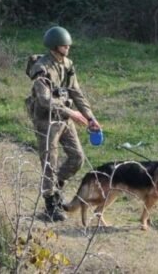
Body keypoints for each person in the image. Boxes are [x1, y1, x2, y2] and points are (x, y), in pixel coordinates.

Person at [25, 26, 102, 222]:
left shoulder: (67, 65)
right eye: (63, 44)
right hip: (46, 120)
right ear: (54, 46)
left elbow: (76, 92)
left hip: (65, 119)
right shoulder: (41, 68)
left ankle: (56, 188)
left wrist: (90, 117)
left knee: (77, 157)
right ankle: (50, 204)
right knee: (50, 162)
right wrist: (71, 112)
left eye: (68, 44)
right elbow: (44, 100)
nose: (67, 47)